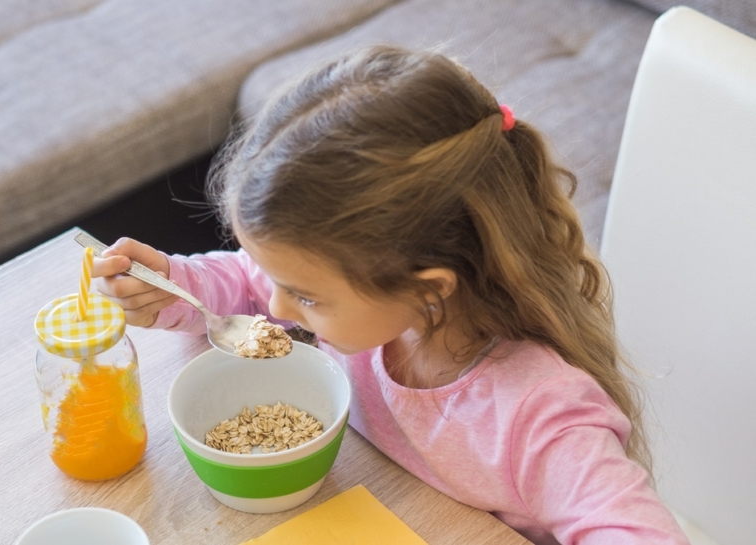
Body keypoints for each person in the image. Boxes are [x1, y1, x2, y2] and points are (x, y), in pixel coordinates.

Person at [91, 45, 689, 544]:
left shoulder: (537, 415)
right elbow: (245, 280)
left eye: (304, 295)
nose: (274, 308)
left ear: (427, 289)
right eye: (279, 281)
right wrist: (177, 285)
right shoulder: (366, 305)